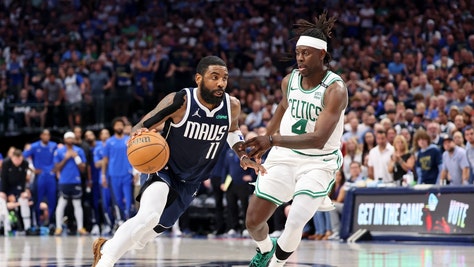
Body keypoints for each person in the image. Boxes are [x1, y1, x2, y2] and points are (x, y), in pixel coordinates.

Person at [92, 56, 265, 267]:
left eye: (224, 78)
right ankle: (105, 261)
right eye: (214, 77)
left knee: (144, 238)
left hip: (192, 178)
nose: (221, 83)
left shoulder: (232, 106)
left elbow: (233, 131)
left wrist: (243, 155)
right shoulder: (181, 101)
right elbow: (140, 126)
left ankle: (107, 247)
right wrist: (138, 140)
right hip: (164, 167)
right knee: (149, 216)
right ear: (199, 79)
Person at [242, 12, 347, 267]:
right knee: (253, 222)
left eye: (306, 53)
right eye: (298, 52)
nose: (300, 57)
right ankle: (266, 250)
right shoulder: (289, 80)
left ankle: (276, 265)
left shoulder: (335, 89)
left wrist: (272, 140)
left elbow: (319, 139)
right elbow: (281, 109)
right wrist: (261, 144)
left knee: (296, 218)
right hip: (283, 156)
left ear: (322, 54)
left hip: (318, 161)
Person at [53, 131, 88, 236]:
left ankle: (80, 228)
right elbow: (56, 168)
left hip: (76, 181)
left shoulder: (79, 151)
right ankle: (58, 227)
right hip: (64, 181)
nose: (70, 140)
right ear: (64, 140)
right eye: (68, 138)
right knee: (61, 204)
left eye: (71, 138)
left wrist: (76, 157)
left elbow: (83, 168)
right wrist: (66, 158)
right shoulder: (59, 151)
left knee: (77, 204)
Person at [22, 129, 58, 227]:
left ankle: (51, 222)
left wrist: (56, 169)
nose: (46, 136)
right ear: (41, 136)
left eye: (48, 135)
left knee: (52, 200)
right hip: (40, 176)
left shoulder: (54, 145)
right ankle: (37, 223)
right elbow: (22, 157)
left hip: (51, 176)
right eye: (45, 135)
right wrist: (32, 169)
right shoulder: (34, 146)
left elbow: (59, 158)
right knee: (37, 200)